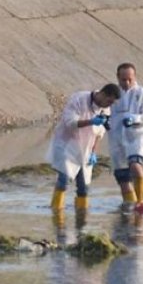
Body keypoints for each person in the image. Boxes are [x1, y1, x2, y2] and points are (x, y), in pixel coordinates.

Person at [48, 83, 121, 211]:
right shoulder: (79, 99)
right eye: (109, 102)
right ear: (103, 94)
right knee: (63, 181)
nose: (109, 106)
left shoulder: (105, 110)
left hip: (86, 149)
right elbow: (70, 123)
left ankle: (82, 219)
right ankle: (57, 213)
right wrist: (91, 121)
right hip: (67, 145)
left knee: (83, 188)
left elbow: (99, 133)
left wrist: (93, 151)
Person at [108, 63, 143, 209]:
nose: (127, 83)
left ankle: (141, 203)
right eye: (123, 80)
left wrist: (135, 119)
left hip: (138, 135)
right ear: (118, 77)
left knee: (135, 164)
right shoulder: (113, 95)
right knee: (123, 178)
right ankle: (131, 205)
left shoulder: (142, 94)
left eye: (130, 79)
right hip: (116, 138)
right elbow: (103, 110)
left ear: (135, 77)